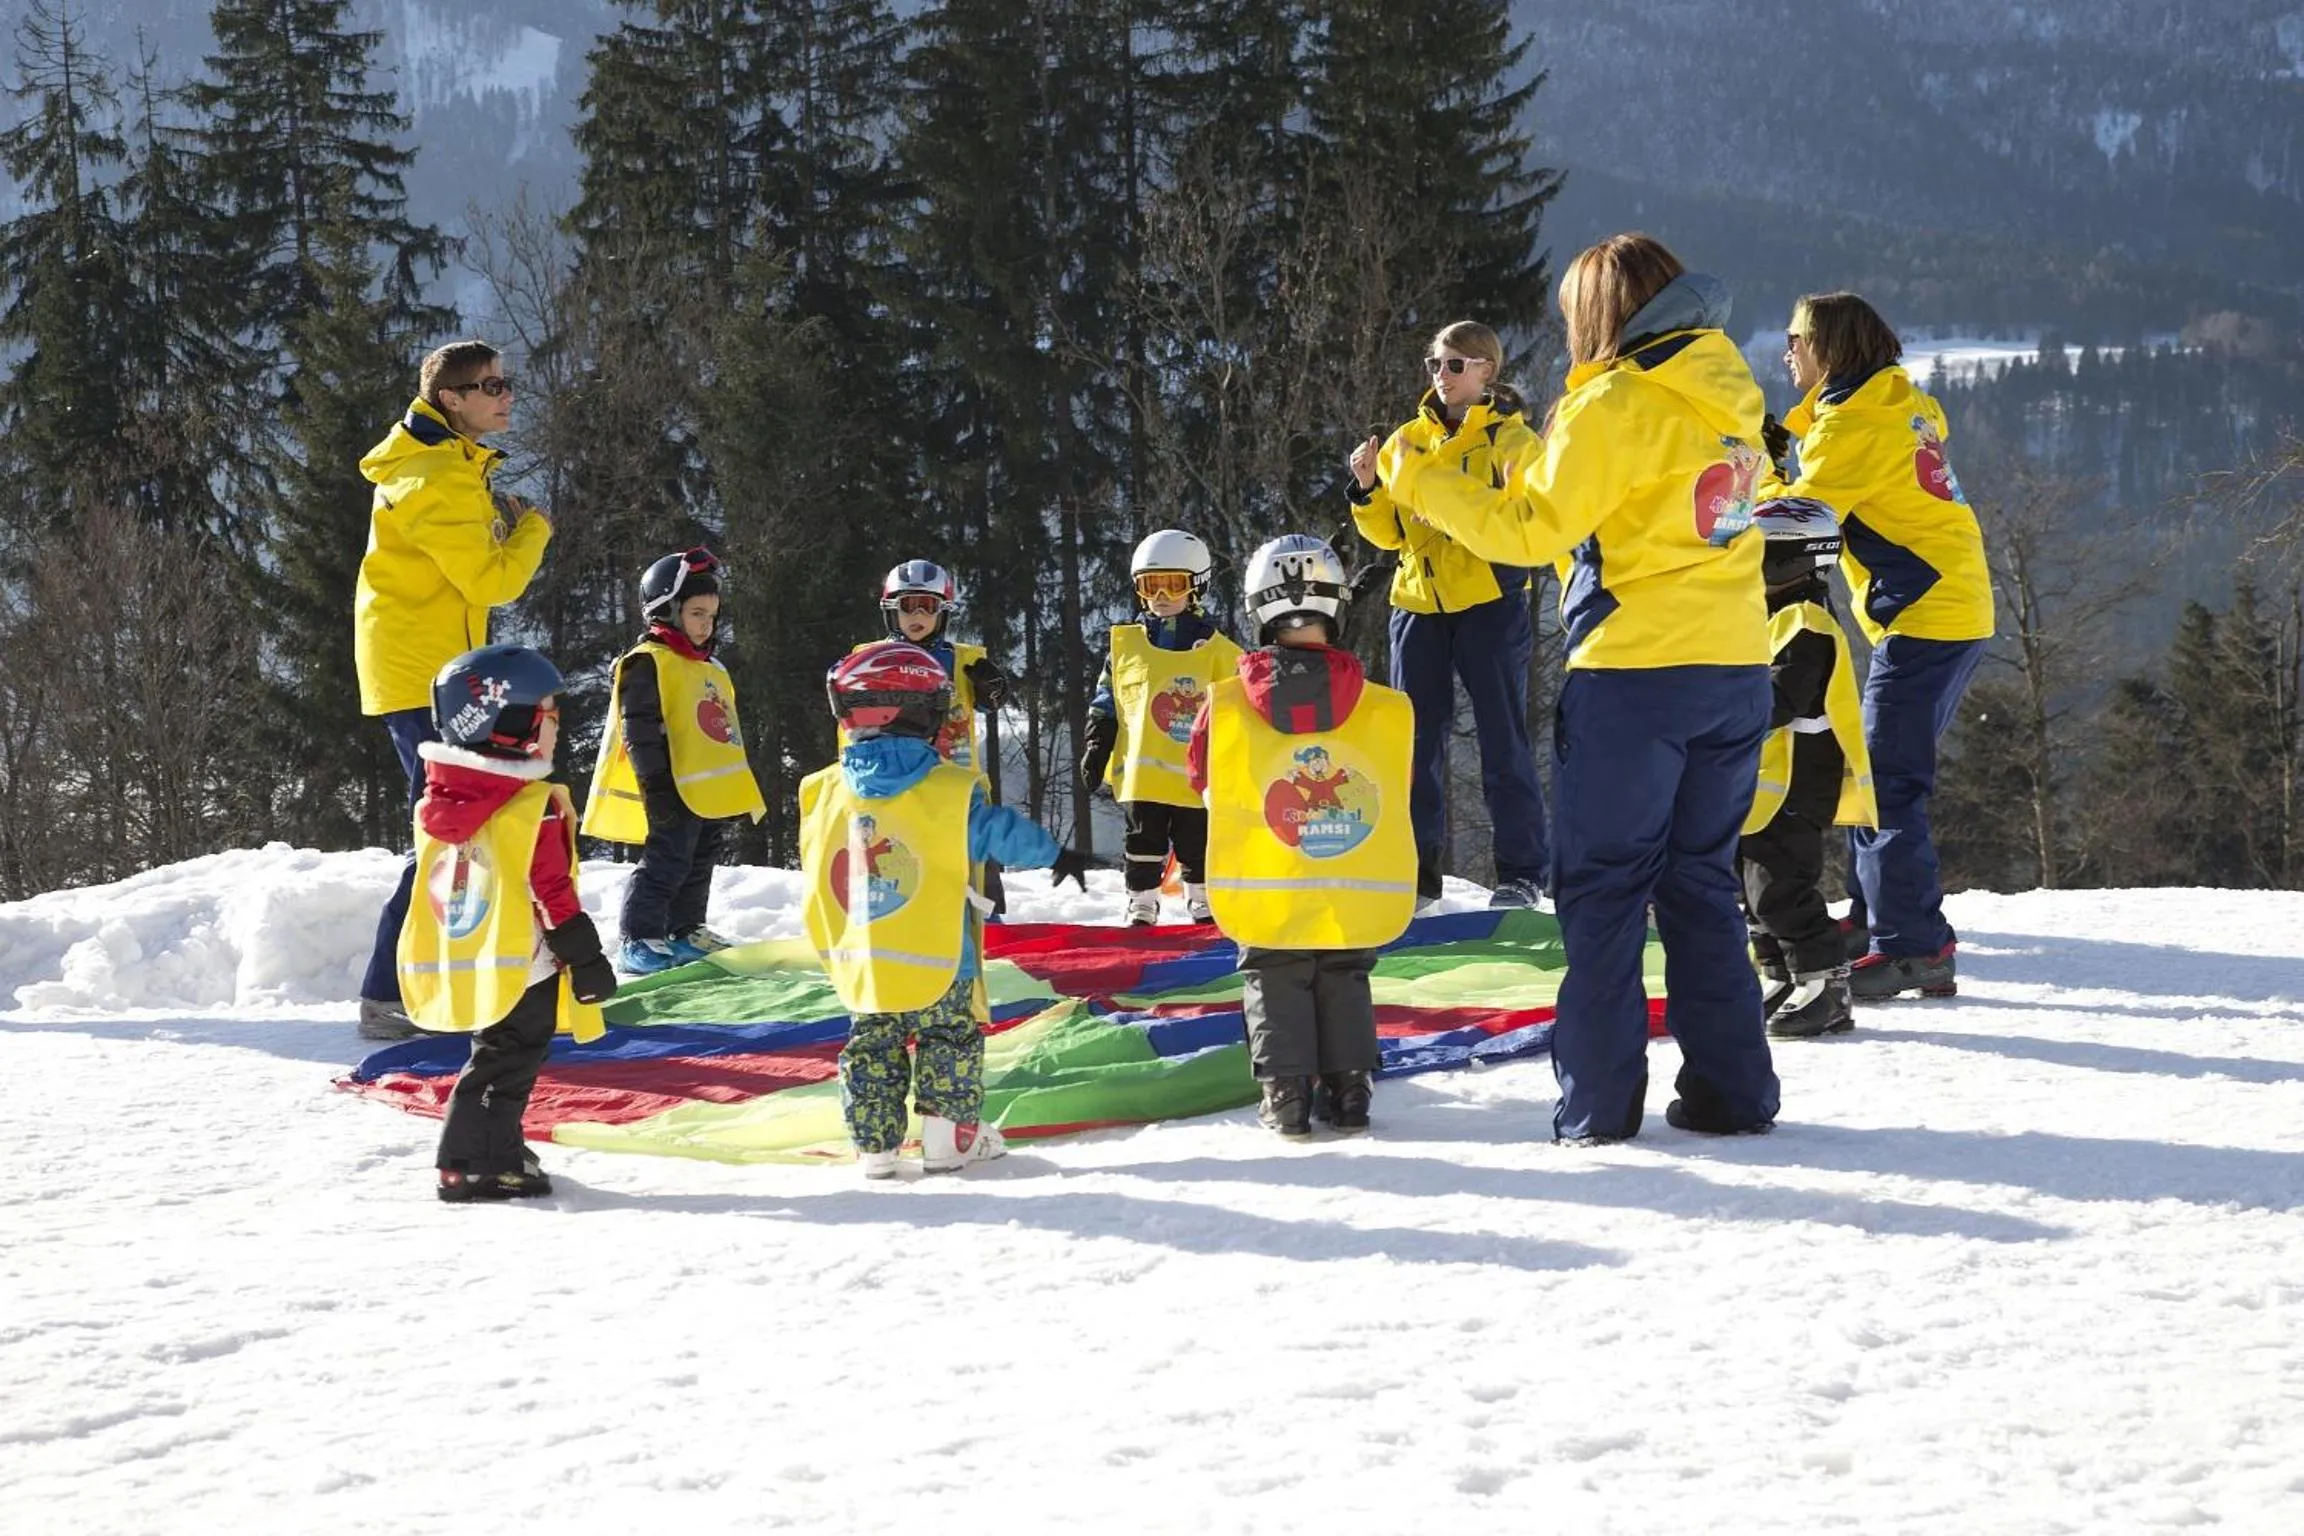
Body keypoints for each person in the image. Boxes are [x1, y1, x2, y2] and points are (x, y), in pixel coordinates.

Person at [1377, 232, 1780, 1143]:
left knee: (1602, 893)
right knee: (1702, 887)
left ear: (1601, 316)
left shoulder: (1617, 401)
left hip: (1636, 677)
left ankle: (1599, 1108)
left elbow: (1526, 532)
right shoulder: (1729, 396)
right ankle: (1734, 1092)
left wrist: (1420, 479)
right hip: (1735, 665)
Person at [802, 640, 1102, 1180]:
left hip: (866, 962)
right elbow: (996, 834)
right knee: (949, 1041)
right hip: (943, 958)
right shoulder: (949, 788)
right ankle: (948, 1139)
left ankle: (875, 1147)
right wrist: (1055, 853)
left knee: (872, 1047)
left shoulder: (822, 790)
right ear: (918, 711)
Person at [1765, 292, 1993, 1000]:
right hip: (1946, 605)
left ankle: (1914, 949)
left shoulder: (1857, 425)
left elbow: (1798, 521)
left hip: (1926, 614)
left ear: (1829, 347)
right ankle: (1876, 921)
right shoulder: (1892, 406)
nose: (1787, 351)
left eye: (1797, 338)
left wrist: (1753, 478)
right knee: (1872, 769)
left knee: (1886, 782)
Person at [353, 341, 552, 1041]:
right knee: (440, 832)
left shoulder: (446, 464)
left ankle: (445, 977)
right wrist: (533, 531)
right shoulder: (435, 476)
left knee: (453, 829)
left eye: (507, 381)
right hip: (422, 677)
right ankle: (387, 993)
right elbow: (491, 582)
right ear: (451, 401)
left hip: (435, 670)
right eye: (488, 385)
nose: (505, 394)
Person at [1186, 535, 1415, 1138]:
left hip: (1268, 876)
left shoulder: (1227, 703)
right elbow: (1396, 784)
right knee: (1344, 969)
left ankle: (1285, 1096)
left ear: (1258, 608)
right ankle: (1351, 1092)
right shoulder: (1382, 707)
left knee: (1273, 970)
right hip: (1348, 872)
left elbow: (1200, 775)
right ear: (1336, 604)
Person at [397, 644, 617, 1203]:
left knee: (494, 1053)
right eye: (549, 716)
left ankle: (497, 1148)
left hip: (480, 955)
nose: (558, 729)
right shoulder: (529, 805)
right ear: (508, 723)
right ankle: (471, 1163)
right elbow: (551, 893)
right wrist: (586, 959)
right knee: (511, 1061)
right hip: (528, 962)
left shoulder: (448, 798)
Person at [1348, 320, 1551, 911]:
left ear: (1488, 370)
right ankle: (1415, 874)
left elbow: (1527, 516)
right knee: (1413, 745)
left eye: (1455, 365)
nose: (1442, 376)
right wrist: (1365, 490)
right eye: (1434, 363)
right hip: (1416, 606)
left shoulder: (1512, 442)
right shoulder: (1404, 441)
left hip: (1490, 600)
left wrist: (1464, 512)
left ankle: (1521, 873)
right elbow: (1388, 535)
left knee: (1504, 740)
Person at [582, 548, 767, 974]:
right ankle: (639, 935)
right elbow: (640, 729)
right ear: (666, 610)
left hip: (705, 791)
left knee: (701, 858)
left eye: (713, 615)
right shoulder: (648, 663)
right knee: (667, 860)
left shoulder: (711, 669)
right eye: (698, 613)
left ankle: (685, 929)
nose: (708, 624)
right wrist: (656, 787)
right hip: (669, 786)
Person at [1739, 499, 1877, 1038]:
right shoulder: (1772, 616)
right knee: (1750, 884)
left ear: (1792, 560)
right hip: (1765, 785)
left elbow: (1780, 700)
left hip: (1796, 786)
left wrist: (1716, 704)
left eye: (1757, 557)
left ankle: (1825, 986)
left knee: (1780, 888)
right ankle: (1778, 973)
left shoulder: (1806, 623)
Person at [1077, 529, 1242, 925]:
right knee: (1142, 839)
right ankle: (1142, 899)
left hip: (1195, 775)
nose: (1162, 596)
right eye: (1151, 585)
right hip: (1145, 773)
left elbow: (1242, 702)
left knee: (1196, 839)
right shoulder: (1128, 646)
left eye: (1174, 584)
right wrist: (1098, 740)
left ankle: (1201, 897)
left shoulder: (1218, 650)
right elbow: (1108, 696)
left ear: (1196, 586)